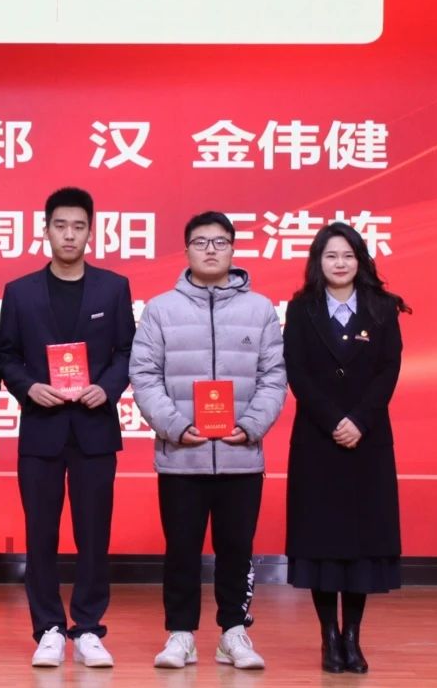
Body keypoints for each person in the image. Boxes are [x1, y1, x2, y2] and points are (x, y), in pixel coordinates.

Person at [130, 211, 286, 671]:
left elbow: (274, 376)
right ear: (186, 251)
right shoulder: (161, 309)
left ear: (233, 249)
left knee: (237, 548)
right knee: (181, 549)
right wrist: (175, 425)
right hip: (182, 455)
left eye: (220, 242)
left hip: (241, 455)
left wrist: (251, 425)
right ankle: (180, 634)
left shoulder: (260, 309)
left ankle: (233, 633)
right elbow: (144, 375)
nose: (211, 250)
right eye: (201, 242)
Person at [0, 187, 135, 668]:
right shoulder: (20, 292)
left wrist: (108, 388)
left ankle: (90, 627)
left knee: (94, 533)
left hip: (94, 428)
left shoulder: (113, 287)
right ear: (47, 230)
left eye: (79, 226)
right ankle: (49, 628)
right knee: (40, 533)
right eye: (61, 226)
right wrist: (28, 387)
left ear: (91, 231)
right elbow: (6, 355)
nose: (70, 235)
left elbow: (127, 350)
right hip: (42, 427)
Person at [283, 222, 409, 674]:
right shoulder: (301, 309)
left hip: (367, 440)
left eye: (348, 255)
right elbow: (297, 371)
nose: (340, 263)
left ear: (360, 260)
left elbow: (388, 370)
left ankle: (352, 637)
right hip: (318, 440)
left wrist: (358, 420)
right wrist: (334, 420)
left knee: (359, 544)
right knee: (322, 543)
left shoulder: (382, 308)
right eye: (331, 255)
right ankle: (328, 637)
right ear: (317, 262)